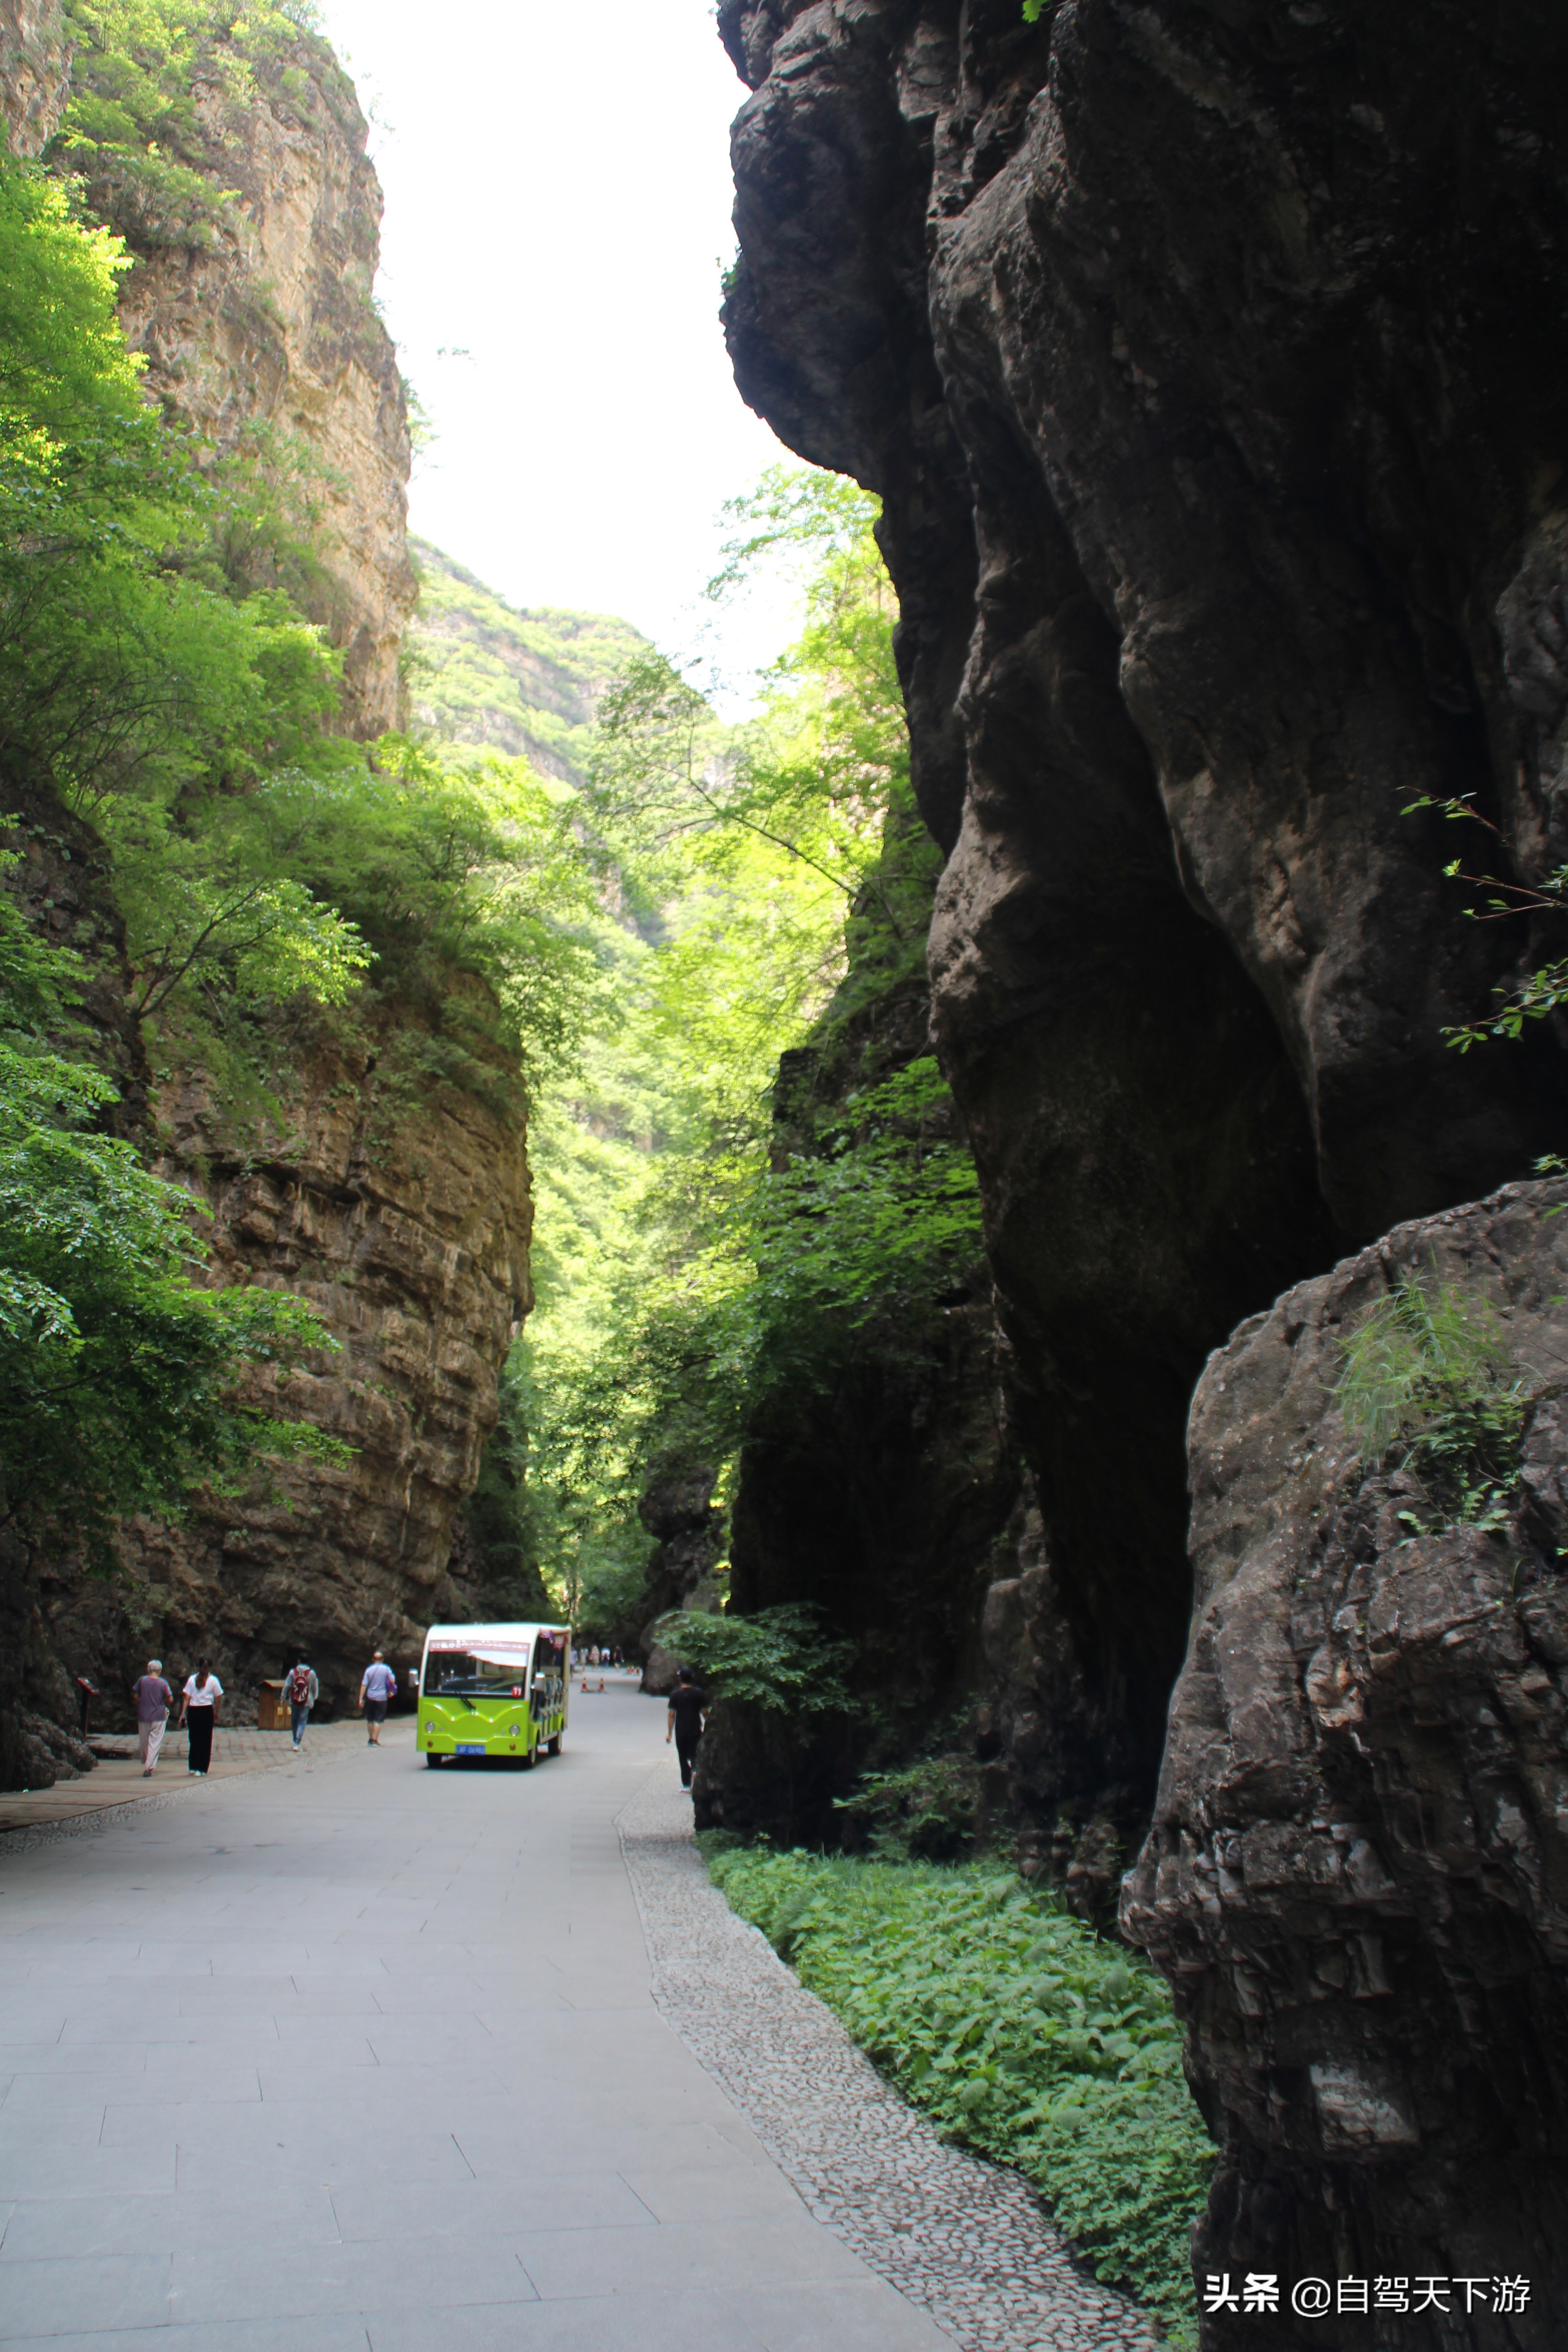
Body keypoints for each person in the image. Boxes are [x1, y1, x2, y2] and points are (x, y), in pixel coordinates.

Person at [665, 1666, 708, 1791]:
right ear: (692, 1678)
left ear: (680, 1679)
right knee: (695, 1754)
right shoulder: (699, 1693)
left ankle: (687, 1785)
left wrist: (669, 1734)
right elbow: (705, 1712)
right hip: (695, 1729)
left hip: (681, 1730)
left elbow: (672, 1714)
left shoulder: (675, 1695)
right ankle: (695, 1771)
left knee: (683, 1757)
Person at [178, 1657, 223, 1775]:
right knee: (206, 1740)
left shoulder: (192, 1679)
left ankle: (192, 1766)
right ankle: (202, 1768)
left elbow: (186, 1698)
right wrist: (217, 1713)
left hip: (193, 1711)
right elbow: (219, 1698)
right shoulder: (213, 1681)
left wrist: (183, 1714)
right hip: (206, 1710)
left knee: (194, 1739)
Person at [133, 1659, 173, 1777]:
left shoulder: (142, 1681)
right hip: (159, 1716)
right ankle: (149, 1767)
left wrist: (141, 1702)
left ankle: (146, 1761)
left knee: (144, 1741)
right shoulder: (163, 1683)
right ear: (159, 1671)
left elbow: (135, 1696)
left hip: (143, 1715)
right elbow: (170, 1699)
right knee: (155, 1741)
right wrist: (162, 1702)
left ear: (148, 1670)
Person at [358, 1650, 397, 1744]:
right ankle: (375, 1739)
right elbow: (393, 1680)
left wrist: (361, 1699)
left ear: (373, 1660)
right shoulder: (386, 1669)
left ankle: (371, 1739)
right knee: (379, 1719)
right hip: (382, 1697)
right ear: (382, 1659)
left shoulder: (369, 1670)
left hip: (370, 1697)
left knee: (370, 1718)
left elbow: (364, 1685)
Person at [285, 1657, 318, 1747]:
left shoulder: (293, 1672)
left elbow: (287, 1685)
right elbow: (314, 1688)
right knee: (302, 1722)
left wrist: (285, 1696)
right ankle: (297, 1743)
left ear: (298, 1661)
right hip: (306, 1701)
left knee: (294, 1721)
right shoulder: (311, 1673)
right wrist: (314, 1698)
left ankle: (295, 1740)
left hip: (294, 1700)